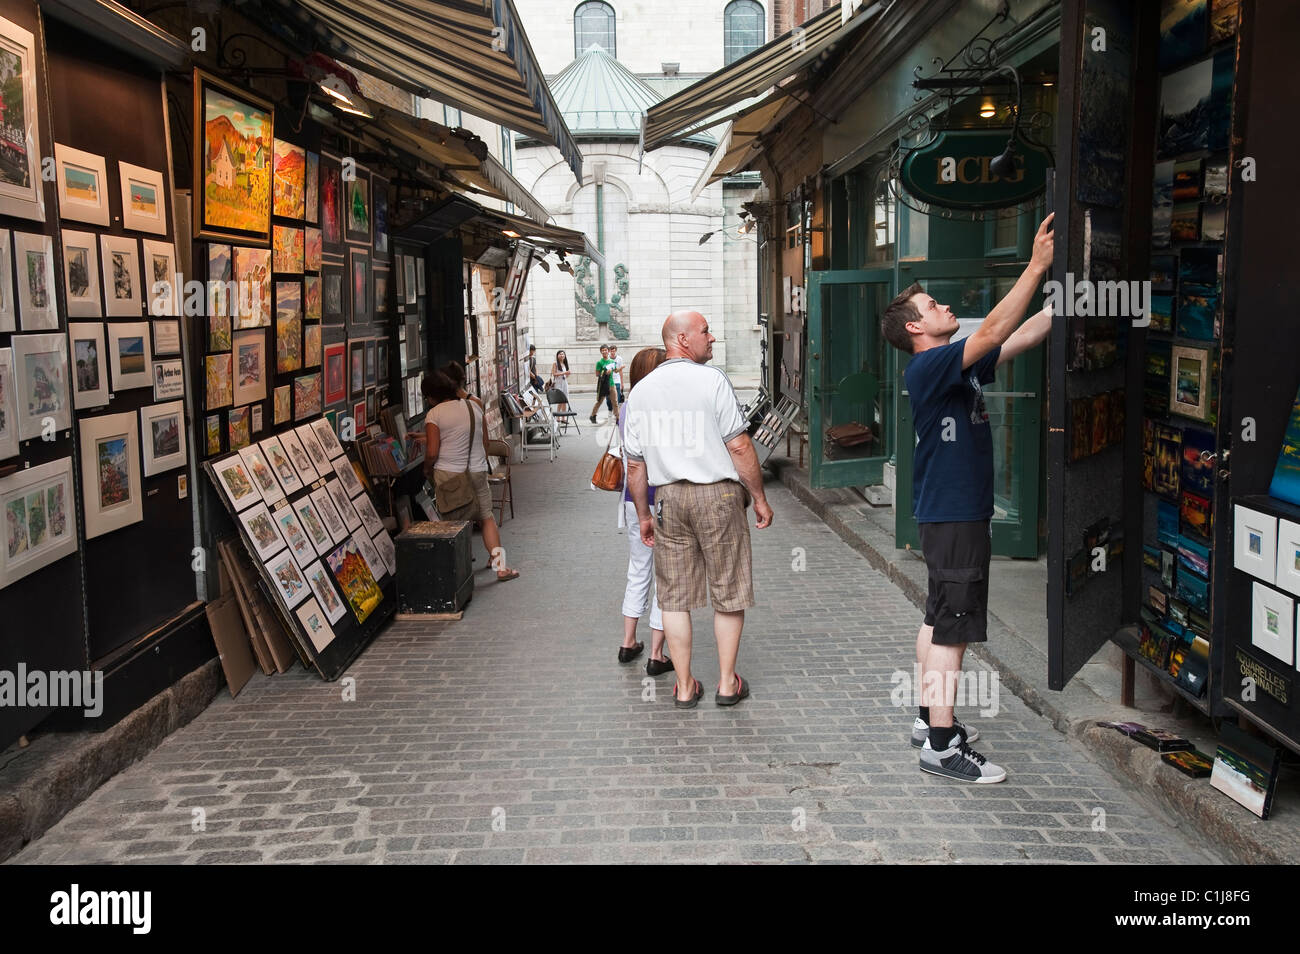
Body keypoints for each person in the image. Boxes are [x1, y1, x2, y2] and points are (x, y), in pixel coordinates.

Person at [881, 212, 1055, 784]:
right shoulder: (930, 366)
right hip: (953, 514)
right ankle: (940, 746)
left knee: (937, 617)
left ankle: (927, 719)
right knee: (954, 626)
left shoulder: (953, 367)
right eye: (934, 307)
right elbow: (995, 329)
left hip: (949, 513)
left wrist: (1064, 307)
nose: (946, 309)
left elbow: (1016, 336)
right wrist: (1034, 266)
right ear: (916, 329)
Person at [624, 310, 774, 709]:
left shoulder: (640, 391)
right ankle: (727, 683)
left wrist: (643, 515)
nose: (712, 337)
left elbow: (635, 464)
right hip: (720, 498)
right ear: (682, 340)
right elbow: (739, 446)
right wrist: (758, 497)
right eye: (705, 331)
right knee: (728, 590)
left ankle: (686, 687)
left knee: (673, 597)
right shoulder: (713, 380)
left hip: (669, 499)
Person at [419, 370, 519, 582]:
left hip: (449, 475)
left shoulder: (434, 415)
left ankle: (456, 574)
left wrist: (427, 469)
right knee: (486, 517)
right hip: (477, 470)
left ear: (431, 396)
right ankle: (500, 567)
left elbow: (432, 451)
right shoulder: (473, 406)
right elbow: (484, 442)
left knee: (452, 523)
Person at [616, 347, 672, 675]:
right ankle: (656, 653)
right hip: (662, 496)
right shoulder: (664, 408)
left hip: (632, 500)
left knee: (638, 567)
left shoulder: (627, 407)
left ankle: (627, 641)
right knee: (667, 573)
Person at [589, 344, 617, 424]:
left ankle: (617, 418)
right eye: (603, 350)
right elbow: (597, 374)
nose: (604, 351)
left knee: (615, 402)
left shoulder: (612, 361)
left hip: (611, 384)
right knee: (600, 401)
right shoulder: (599, 363)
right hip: (603, 385)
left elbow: (615, 370)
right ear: (601, 352)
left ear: (608, 351)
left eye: (606, 350)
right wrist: (605, 372)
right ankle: (593, 415)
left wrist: (618, 369)